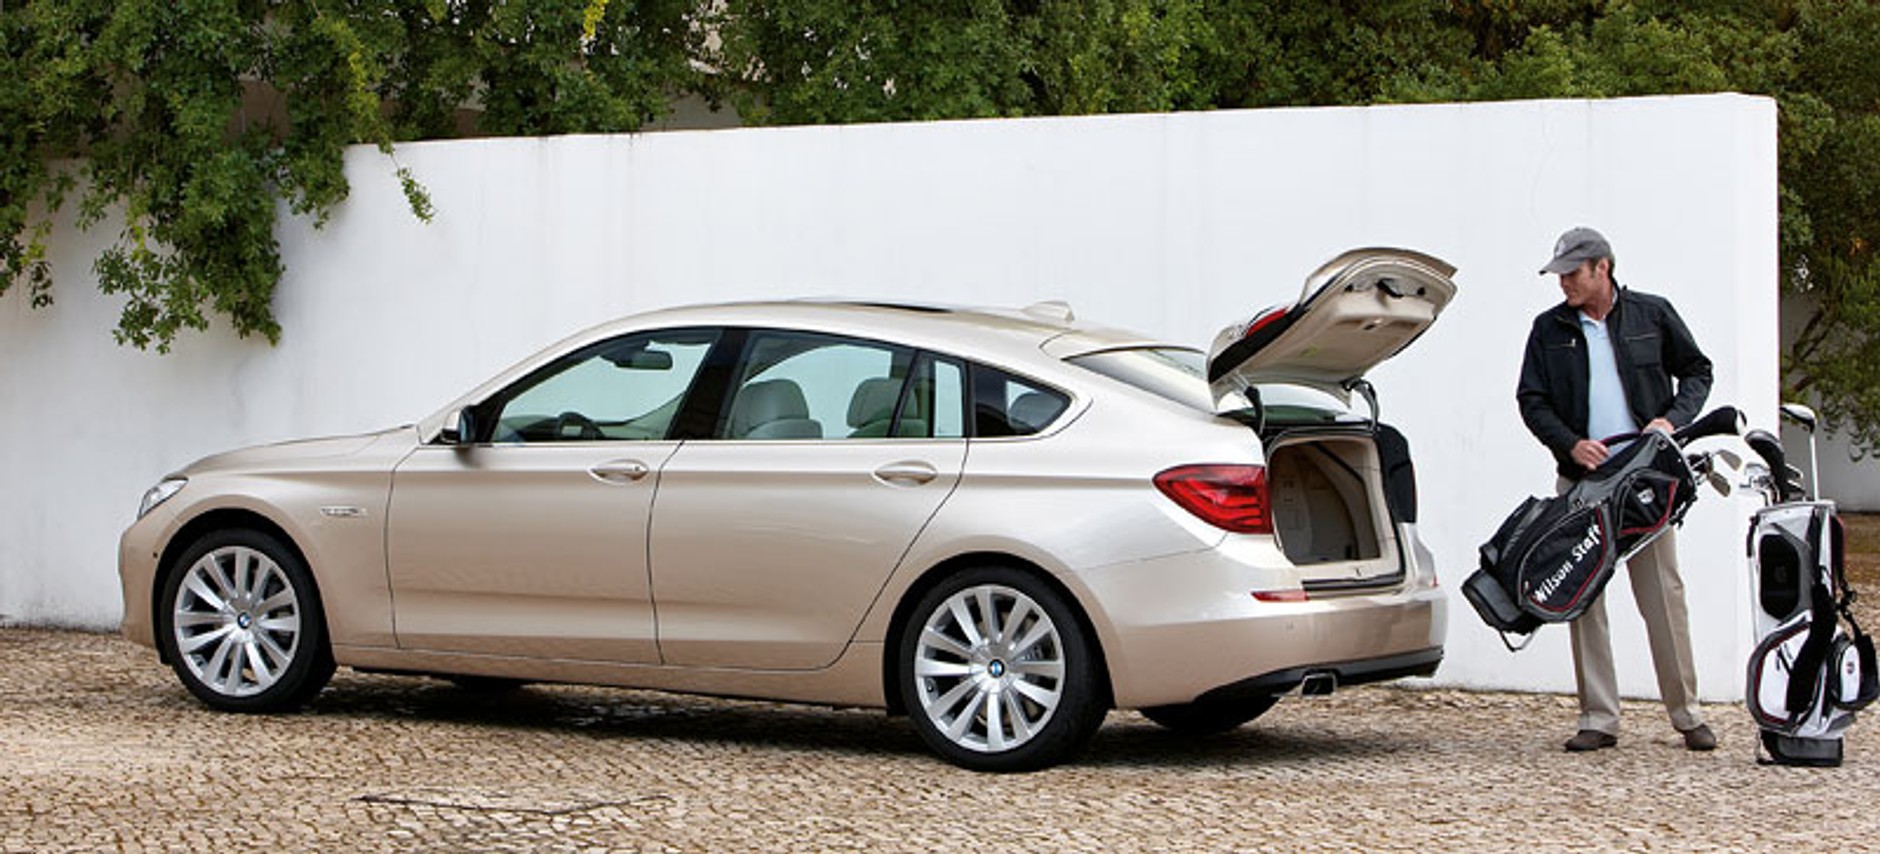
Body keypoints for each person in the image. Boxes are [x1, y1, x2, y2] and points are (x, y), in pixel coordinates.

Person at [1516, 226, 1718, 753]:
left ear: (1601, 267)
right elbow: (1531, 400)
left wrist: (1671, 421)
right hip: (1582, 483)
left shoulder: (1653, 314)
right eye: (1559, 274)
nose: (1563, 283)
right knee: (1581, 599)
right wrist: (1570, 444)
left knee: (1663, 596)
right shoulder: (1548, 329)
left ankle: (1687, 713)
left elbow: (1697, 372)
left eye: (1572, 273)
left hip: (1646, 482)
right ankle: (1599, 718)